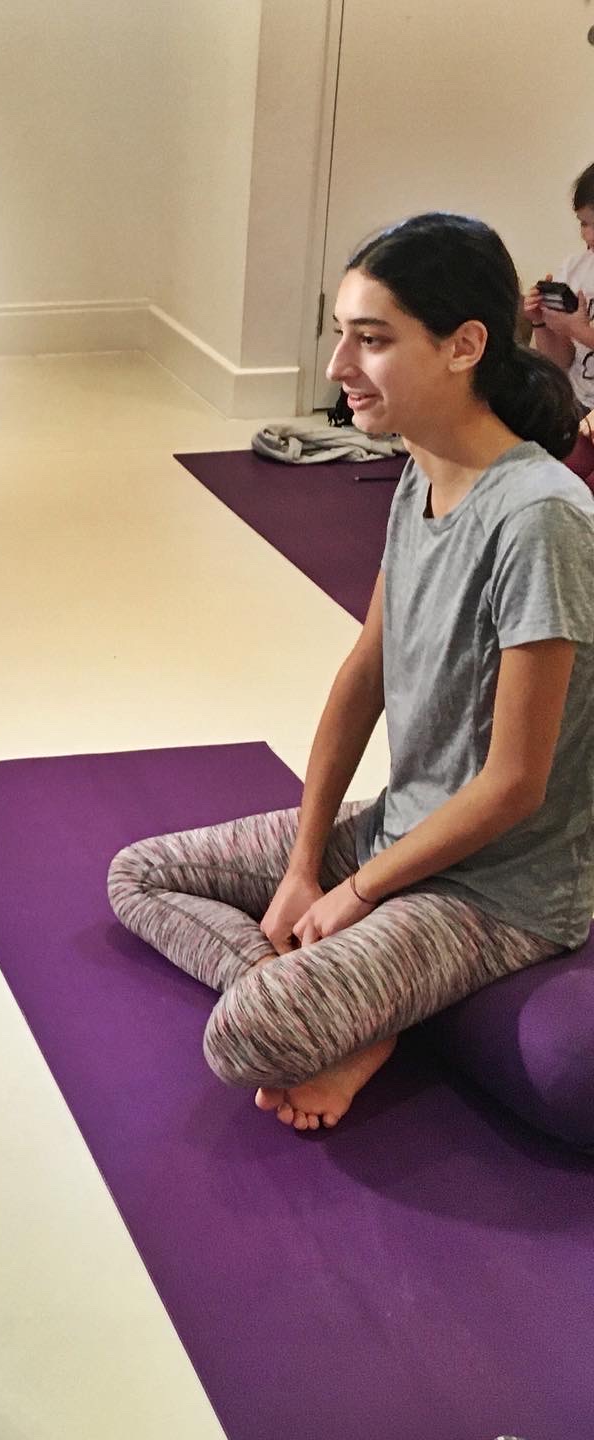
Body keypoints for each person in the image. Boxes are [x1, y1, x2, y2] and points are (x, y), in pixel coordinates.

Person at [107, 213, 594, 1133]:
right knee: (138, 875)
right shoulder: (420, 470)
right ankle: (359, 1011)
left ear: (465, 346)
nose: (338, 366)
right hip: (400, 831)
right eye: (342, 333)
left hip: (499, 891)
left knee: (244, 1036)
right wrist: (304, 865)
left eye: (371, 340)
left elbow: (518, 785)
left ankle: (362, 1020)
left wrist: (359, 895)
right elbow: (363, 673)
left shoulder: (542, 519)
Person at [524, 161, 594, 482]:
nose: (587, 237)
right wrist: (541, 323)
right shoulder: (576, 269)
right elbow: (560, 360)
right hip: (579, 406)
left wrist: (582, 332)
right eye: (583, 224)